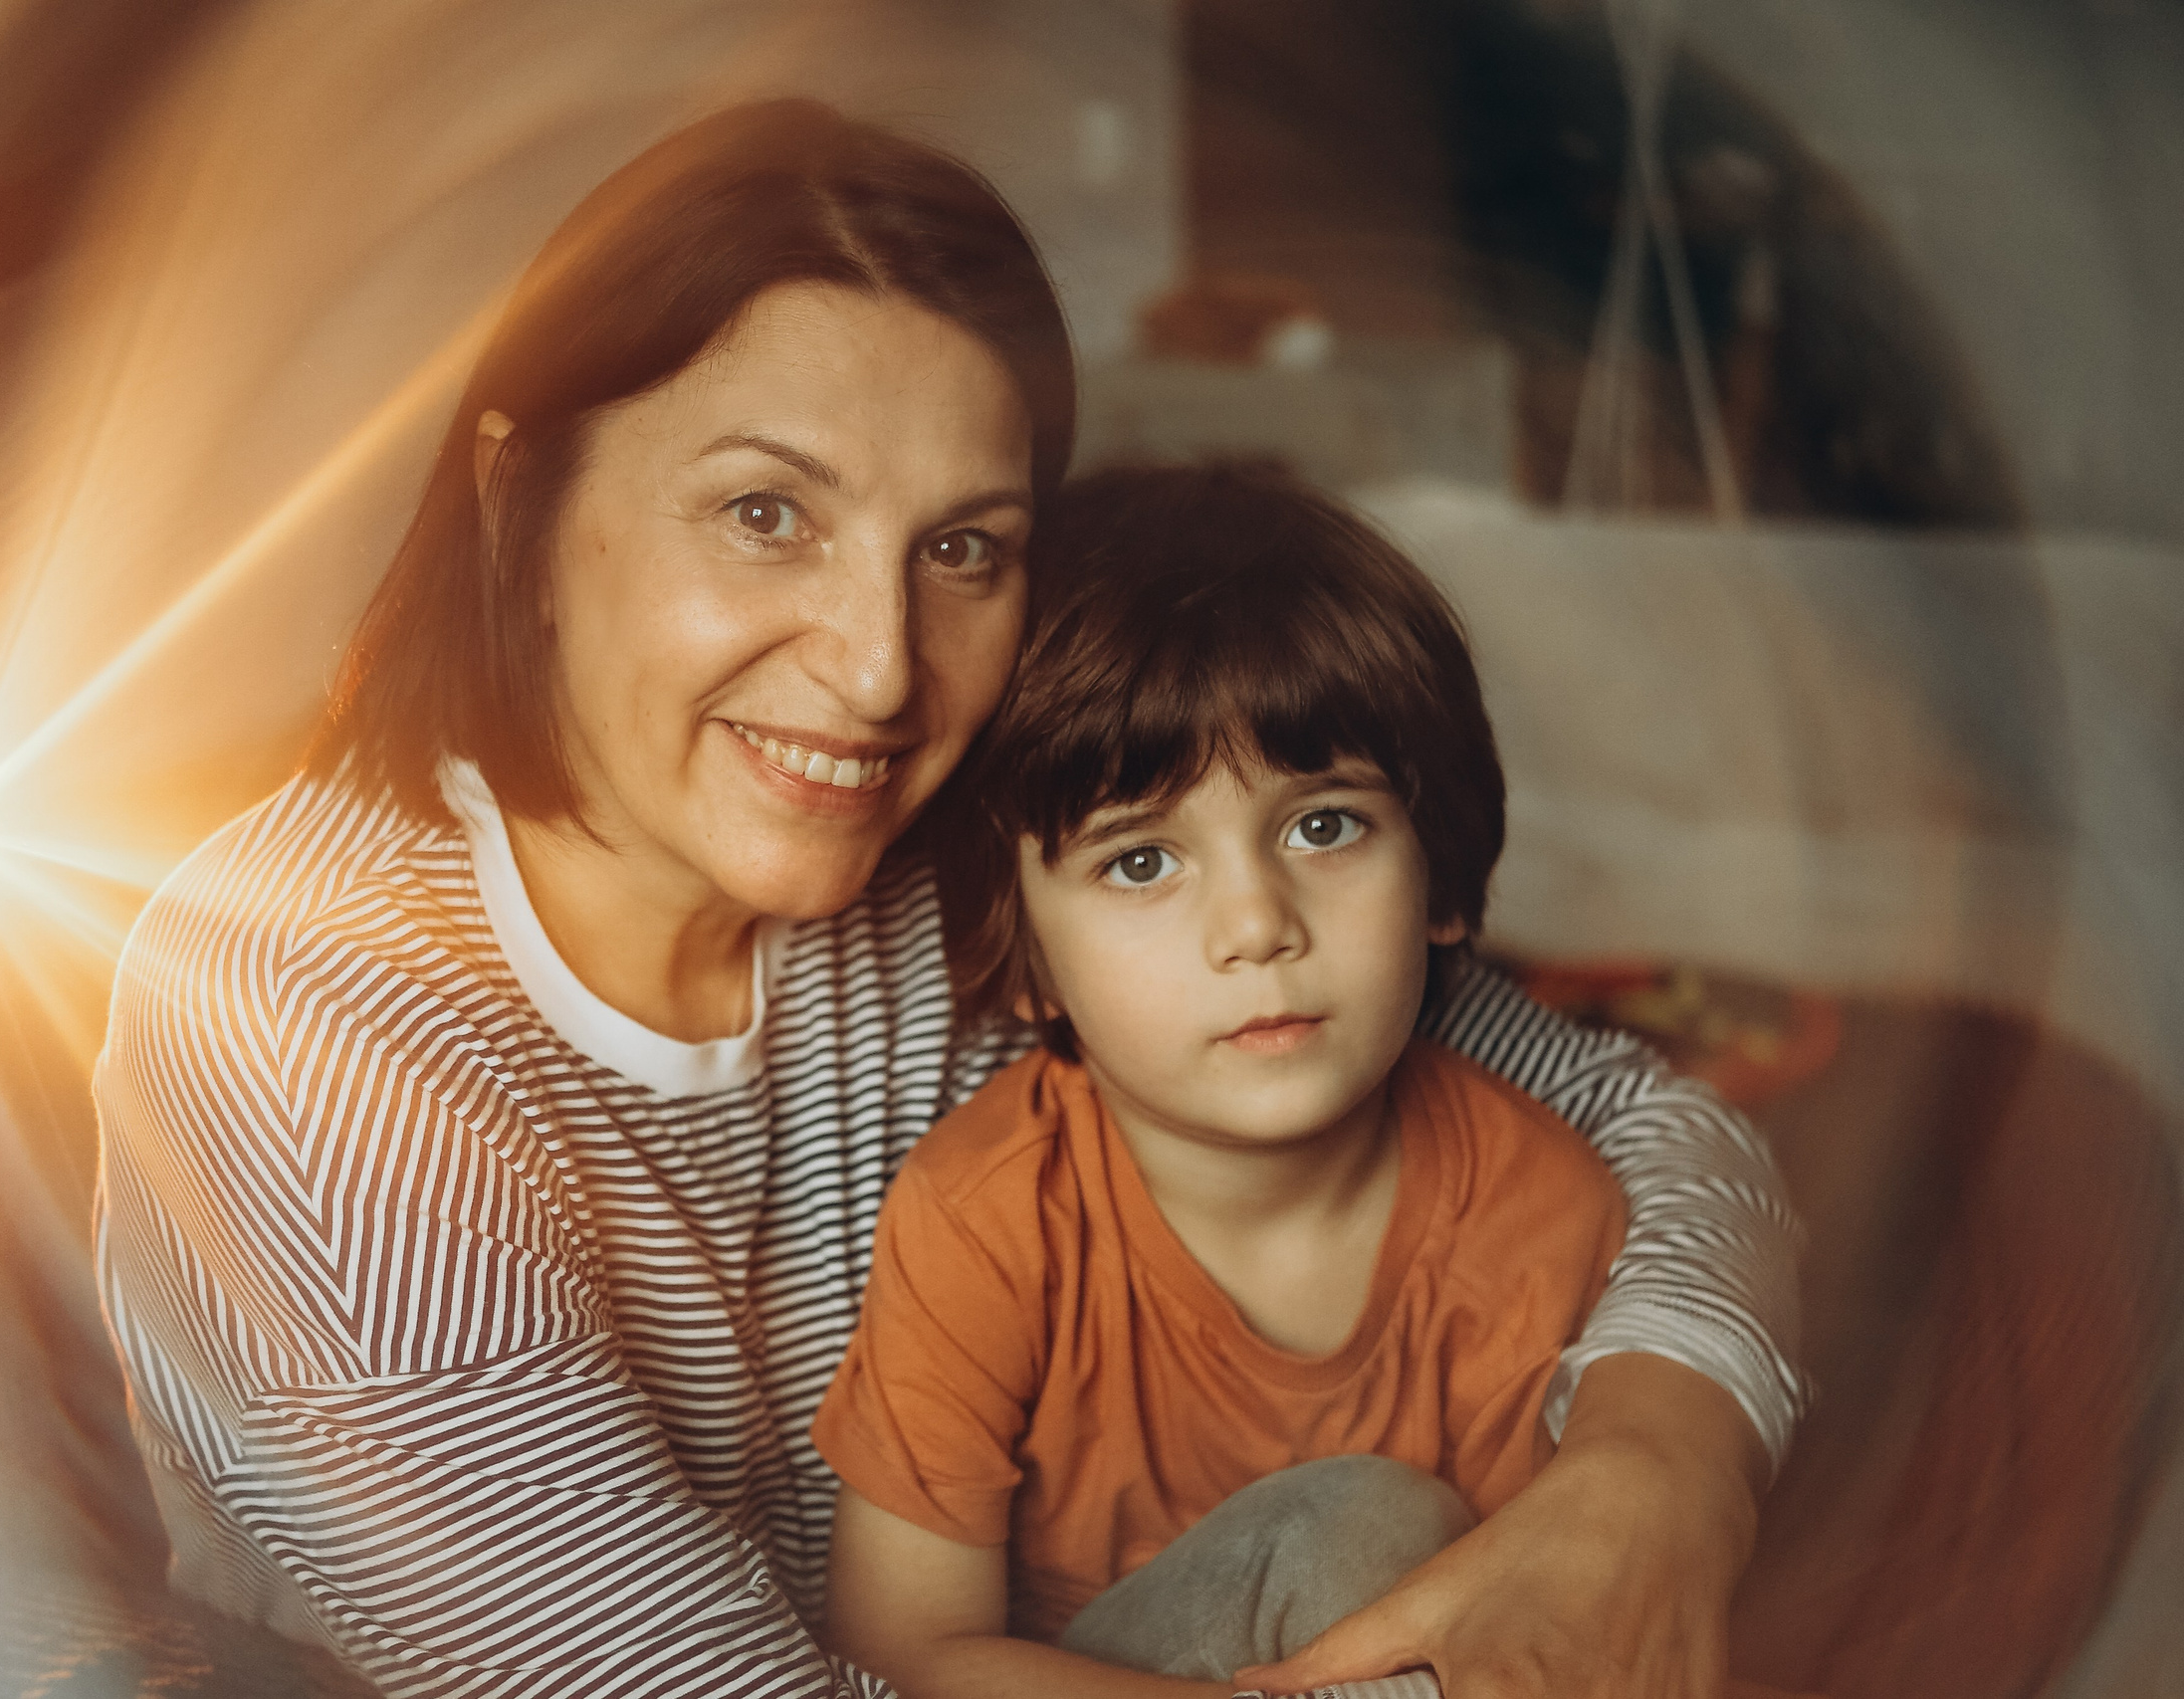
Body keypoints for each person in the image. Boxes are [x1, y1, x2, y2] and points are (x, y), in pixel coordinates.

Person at [92, 101, 1803, 1699]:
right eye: (766, 512)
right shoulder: (299, 1018)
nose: (877, 667)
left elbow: (1631, 1111)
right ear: (515, 503)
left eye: (965, 547)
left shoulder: (959, 853)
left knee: (1382, 1539)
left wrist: (1663, 1466)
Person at [813, 460, 1622, 1697]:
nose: (1255, 924)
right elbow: (904, 1654)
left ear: (1444, 881)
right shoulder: (986, 1215)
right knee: (1370, 1528)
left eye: (1323, 826)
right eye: (1140, 862)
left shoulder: (1538, 1211)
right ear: (1026, 959)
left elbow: (1518, 1635)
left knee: (1412, 1561)